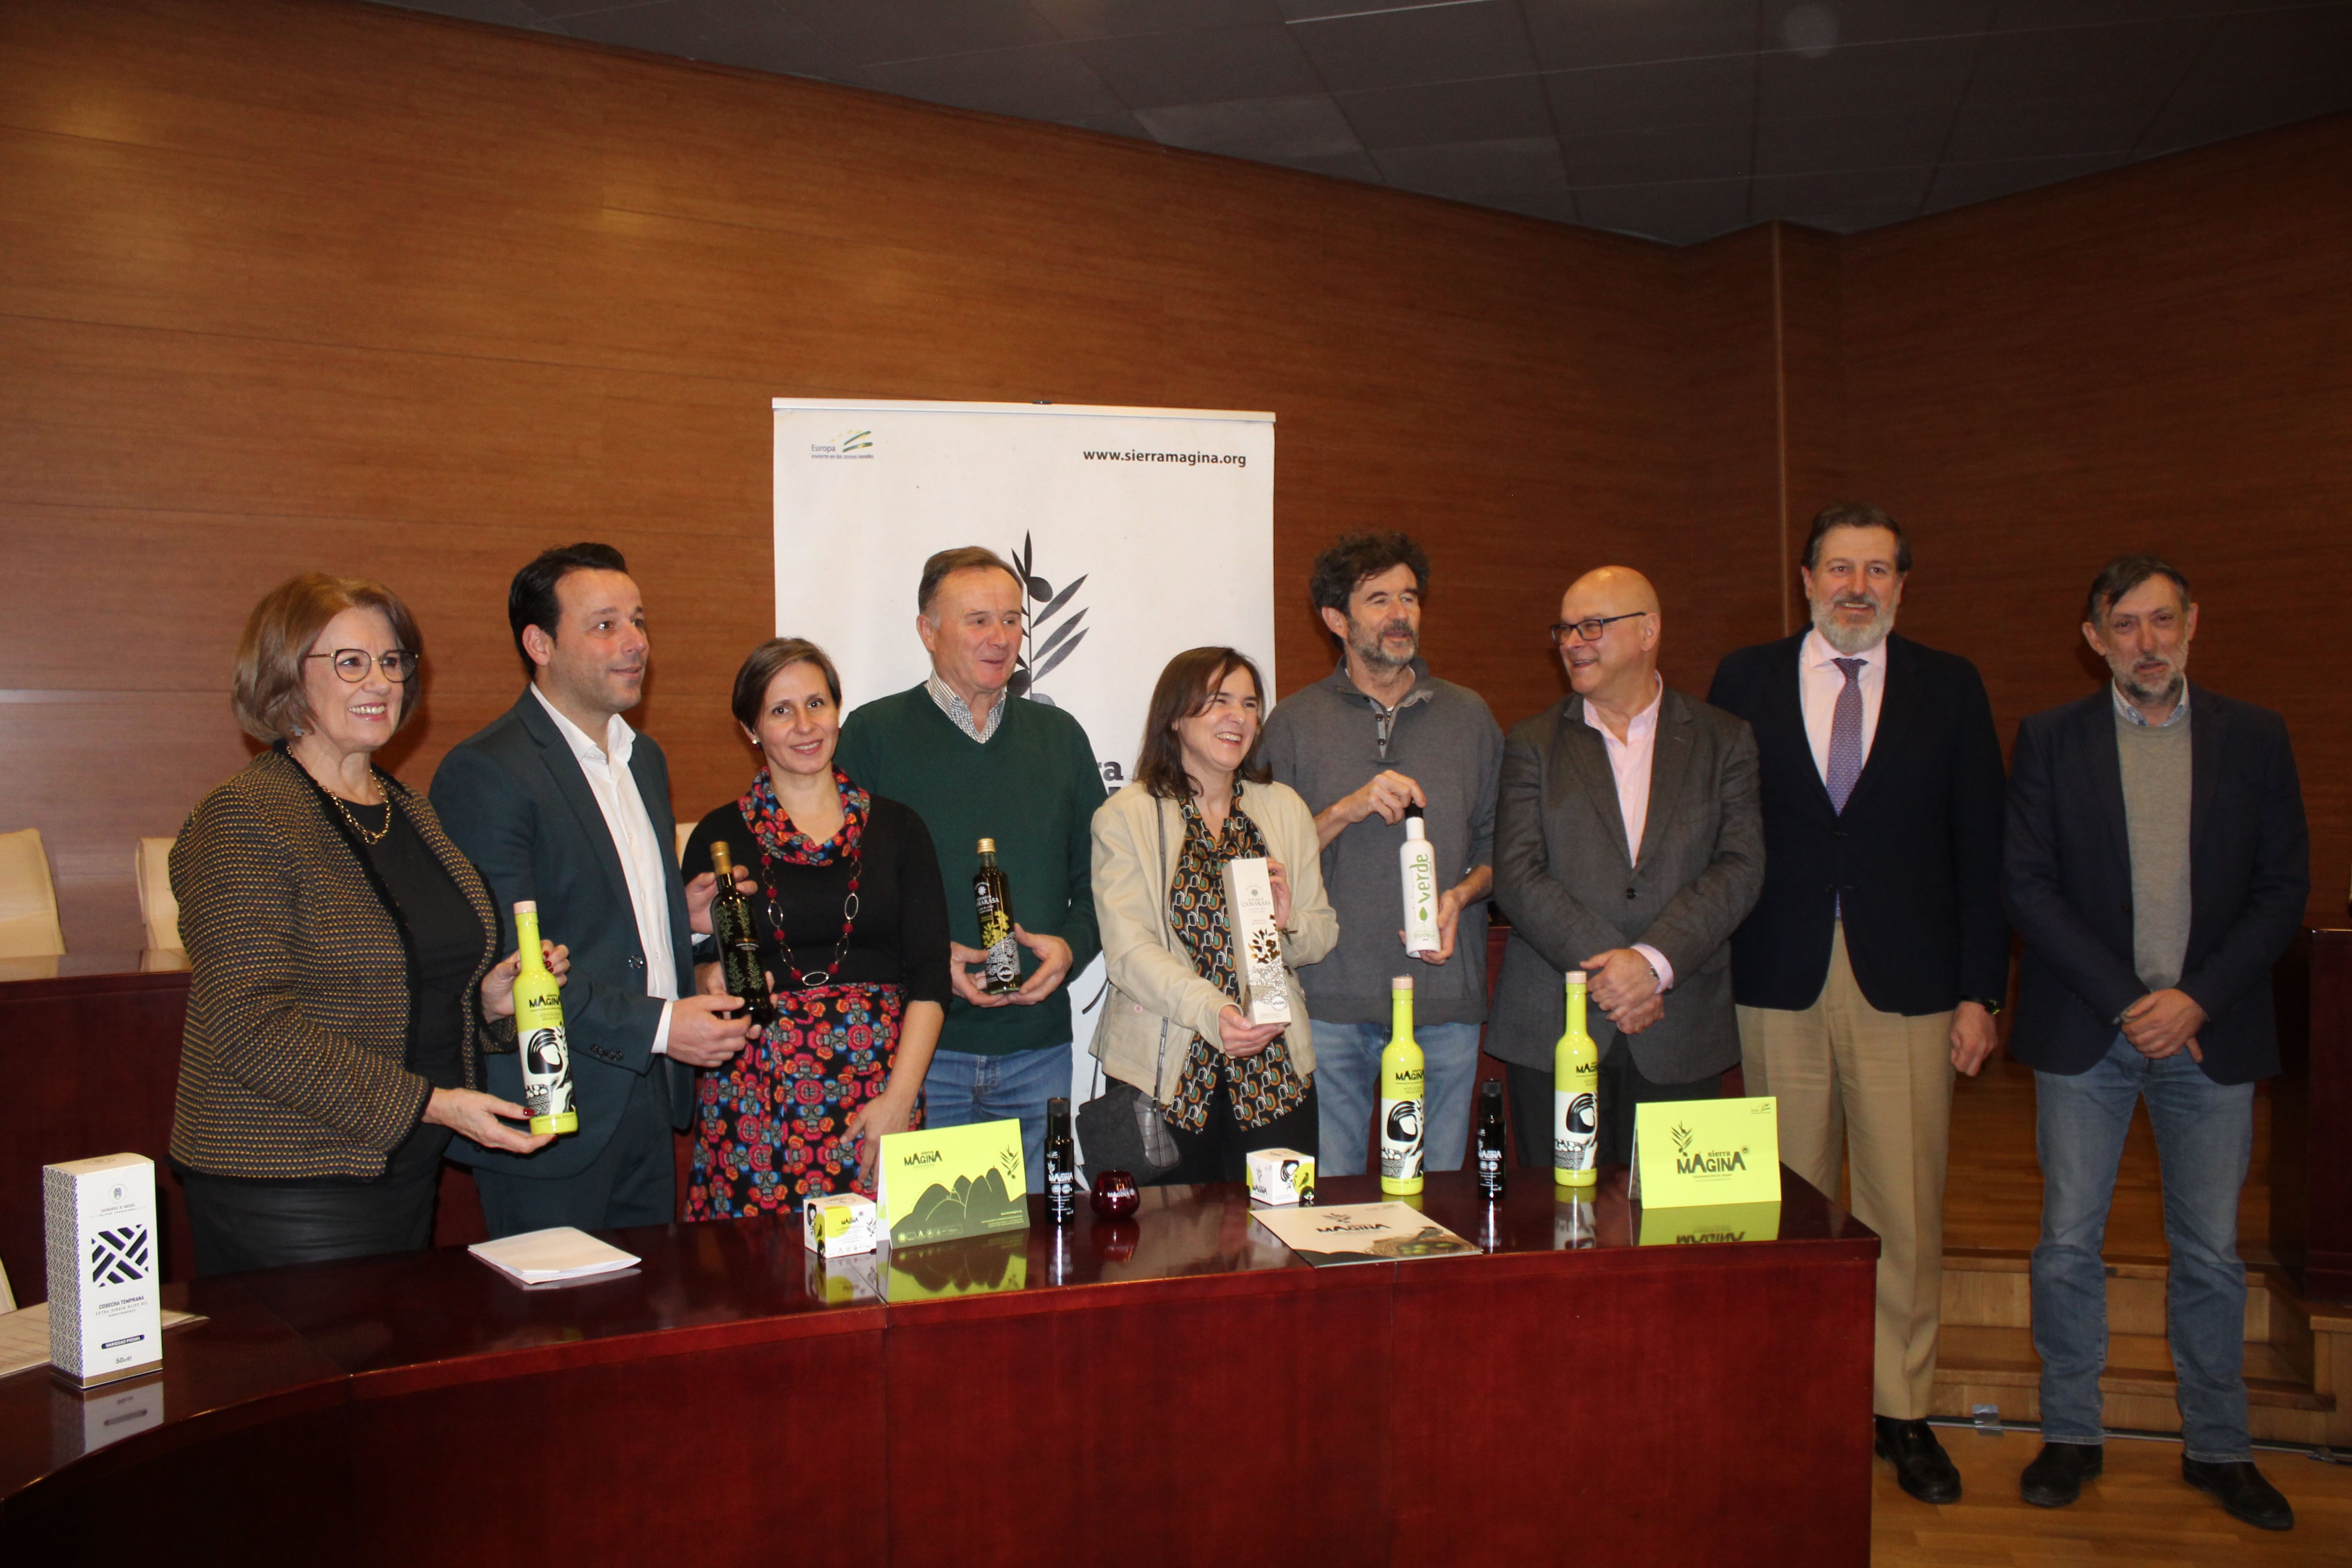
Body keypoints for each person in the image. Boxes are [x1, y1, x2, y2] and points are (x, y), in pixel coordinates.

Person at [1707, 502, 2008, 1505]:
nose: (1856, 586)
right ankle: (1792, 1388)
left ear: (1901, 585)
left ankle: (1901, 1409)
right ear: (1803, 579)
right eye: (1838, 567)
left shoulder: (1950, 685)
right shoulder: (1743, 679)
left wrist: (1979, 988)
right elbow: (1716, 834)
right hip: (1775, 972)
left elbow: (1981, 847)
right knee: (1784, 1204)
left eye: (1877, 570)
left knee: (1901, 1204)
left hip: (1911, 981)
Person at [2004, 555, 2307, 1532]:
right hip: (2086, 1031)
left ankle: (2220, 1447)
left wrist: (2193, 1001)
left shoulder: (2255, 738)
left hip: (2209, 1038)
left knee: (2211, 1254)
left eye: (2162, 621)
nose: (2146, 642)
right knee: (2065, 1246)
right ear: (2093, 638)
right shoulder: (2049, 740)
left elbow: (2280, 889)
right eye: (2124, 625)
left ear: (2190, 625)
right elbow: (2030, 885)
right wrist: (2131, 1000)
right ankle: (2070, 1432)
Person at [169, 574, 561, 1275]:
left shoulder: (408, 808)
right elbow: (250, 1027)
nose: (379, 680)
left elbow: (395, 989)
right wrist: (432, 1105)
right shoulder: (243, 818)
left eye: (392, 661)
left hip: (401, 1168)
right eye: (350, 662)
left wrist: (487, 1005)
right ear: (286, 677)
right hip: (288, 1183)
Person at [430, 544, 751, 1236]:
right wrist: (668, 1025)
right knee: (556, 1334)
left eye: (638, 621)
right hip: (552, 1110)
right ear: (539, 643)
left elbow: (611, 918)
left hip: (646, 1095)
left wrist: (682, 919)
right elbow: (513, 968)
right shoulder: (486, 772)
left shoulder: (644, 758)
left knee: (646, 1327)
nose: (636, 643)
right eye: (605, 625)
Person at [834, 546, 1106, 1189]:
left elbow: (1102, 881)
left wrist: (1071, 947)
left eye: (1012, 620)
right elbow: (847, 892)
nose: (1001, 637)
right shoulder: (872, 736)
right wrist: (925, 964)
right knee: (924, 1257)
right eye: (978, 620)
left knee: (1035, 1255)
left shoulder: (1060, 737)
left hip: (1038, 1048)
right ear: (928, 631)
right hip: (917, 1054)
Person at [1488, 566, 1763, 1170]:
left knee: (1671, 1240)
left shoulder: (1722, 740)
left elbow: (1739, 867)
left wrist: (1653, 965)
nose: (1571, 642)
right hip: (1554, 1027)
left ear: (1647, 632)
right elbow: (1515, 871)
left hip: (1680, 1026)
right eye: (1564, 628)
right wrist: (1616, 973)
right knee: (1560, 1230)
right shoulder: (1532, 742)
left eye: (1591, 625)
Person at [1259, 533, 1501, 1178]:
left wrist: (1463, 893)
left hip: (1445, 1000)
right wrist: (1348, 807)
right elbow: (1263, 864)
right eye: (1379, 599)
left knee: (1441, 1204)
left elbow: (1499, 846)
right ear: (1336, 620)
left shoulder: (1470, 716)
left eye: (1410, 597)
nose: (1401, 614)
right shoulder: (1293, 722)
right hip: (1331, 999)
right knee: (1333, 1204)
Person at [678, 638, 949, 1211]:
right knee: (759, 1282)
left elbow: (929, 977)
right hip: (754, 1093)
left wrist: (900, 1099)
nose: (804, 725)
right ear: (750, 728)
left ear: (837, 711)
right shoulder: (718, 838)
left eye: (817, 704)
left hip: (877, 1090)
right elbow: (693, 961)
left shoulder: (899, 829)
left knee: (885, 1282)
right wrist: (707, 979)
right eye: (780, 711)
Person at [1092, 648, 1337, 1182]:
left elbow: (1320, 934)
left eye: (1249, 704)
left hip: (1274, 1071)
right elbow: (1129, 955)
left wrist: (1285, 923)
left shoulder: (1283, 808)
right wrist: (1215, 1014)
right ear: (1176, 716)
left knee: (1281, 1242)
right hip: (1166, 1075)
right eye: (1218, 701)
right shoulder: (1126, 816)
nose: (1239, 717)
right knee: (1169, 1252)